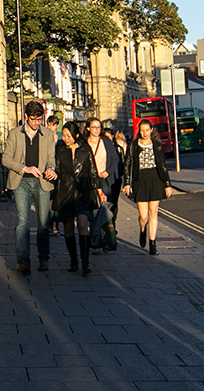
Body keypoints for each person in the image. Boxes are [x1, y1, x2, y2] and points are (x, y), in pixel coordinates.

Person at [2, 101, 57, 274]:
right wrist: (25, 168)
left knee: (43, 223)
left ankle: (44, 259)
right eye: (34, 119)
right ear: (26, 117)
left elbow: (51, 158)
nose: (37, 123)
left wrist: (51, 169)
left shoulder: (47, 134)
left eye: (40, 119)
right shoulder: (14, 134)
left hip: (42, 181)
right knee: (23, 222)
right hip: (22, 182)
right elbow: (6, 159)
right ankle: (23, 261)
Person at [52, 121, 99, 275]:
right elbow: (57, 170)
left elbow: (93, 172)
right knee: (68, 228)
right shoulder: (60, 151)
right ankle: (73, 260)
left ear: (76, 135)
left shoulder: (86, 150)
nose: (65, 138)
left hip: (82, 193)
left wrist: (99, 190)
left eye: (68, 135)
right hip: (65, 193)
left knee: (82, 224)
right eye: (64, 135)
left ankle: (85, 263)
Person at [122, 119, 172, 256]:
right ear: (139, 131)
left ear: (151, 130)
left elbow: (162, 165)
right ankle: (142, 228)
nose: (144, 133)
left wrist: (167, 184)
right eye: (142, 130)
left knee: (153, 212)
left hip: (155, 179)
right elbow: (127, 165)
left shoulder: (157, 145)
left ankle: (152, 244)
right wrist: (127, 183)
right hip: (140, 180)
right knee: (143, 216)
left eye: (147, 130)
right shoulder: (133, 145)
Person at [84, 117, 119, 253]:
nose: (97, 130)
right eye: (94, 127)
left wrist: (108, 172)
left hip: (104, 180)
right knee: (94, 211)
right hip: (91, 180)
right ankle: (95, 243)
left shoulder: (106, 142)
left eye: (99, 127)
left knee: (105, 210)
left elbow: (115, 159)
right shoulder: (84, 144)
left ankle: (106, 241)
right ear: (88, 128)